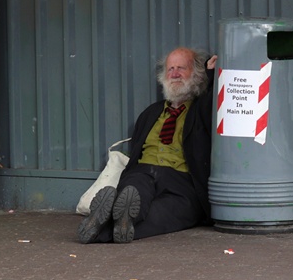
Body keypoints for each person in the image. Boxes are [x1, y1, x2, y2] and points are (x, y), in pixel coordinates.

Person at [78, 47, 217, 244]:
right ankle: (122, 215)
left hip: (181, 184)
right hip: (143, 173)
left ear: (196, 75)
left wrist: (212, 75)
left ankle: (100, 228)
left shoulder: (201, 110)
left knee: (161, 216)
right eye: (170, 69)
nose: (175, 73)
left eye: (181, 68)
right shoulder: (150, 113)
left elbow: (214, 104)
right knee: (134, 192)